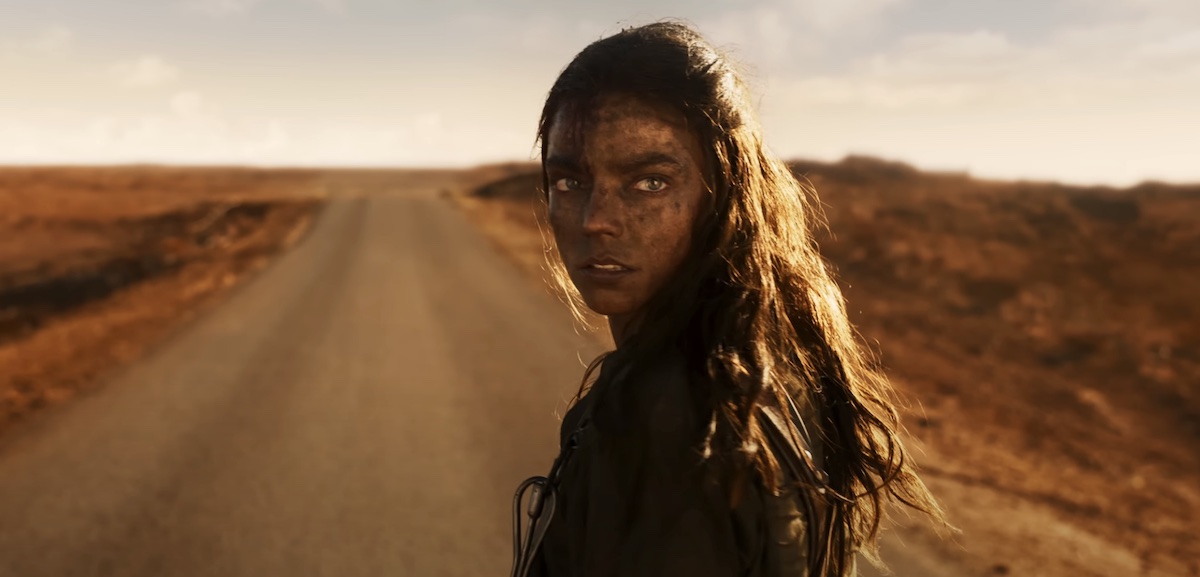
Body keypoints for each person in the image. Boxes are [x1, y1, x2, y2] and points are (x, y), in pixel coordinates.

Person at [510, 21, 947, 577]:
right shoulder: (767, 357)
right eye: (569, 182)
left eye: (649, 182)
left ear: (724, 191)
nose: (596, 220)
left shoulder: (675, 413)